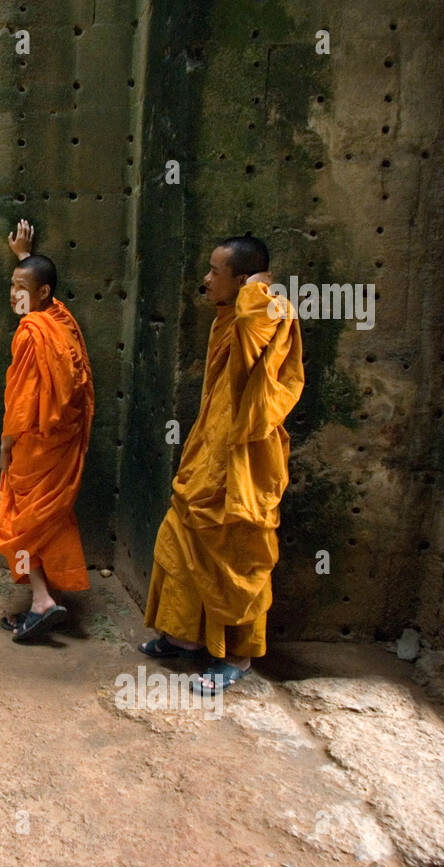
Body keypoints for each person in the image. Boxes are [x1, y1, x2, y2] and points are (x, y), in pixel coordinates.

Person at [139, 236, 305, 693]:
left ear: (244, 279)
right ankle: (186, 638)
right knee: (180, 539)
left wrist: (258, 286)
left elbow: (255, 334)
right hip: (208, 450)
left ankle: (238, 657)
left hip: (245, 459)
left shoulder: (268, 313)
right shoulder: (227, 318)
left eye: (216, 272)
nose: (206, 280)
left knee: (237, 558)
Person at [0, 220, 96, 643]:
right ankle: (45, 595)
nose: (15, 294)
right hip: (58, 445)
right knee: (51, 517)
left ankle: (41, 601)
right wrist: (24, 260)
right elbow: (41, 285)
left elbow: (21, 400)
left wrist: (5, 445)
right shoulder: (60, 322)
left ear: (43, 292)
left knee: (17, 518)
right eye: (12, 285)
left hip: (33, 443)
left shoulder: (32, 335)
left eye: (21, 287)